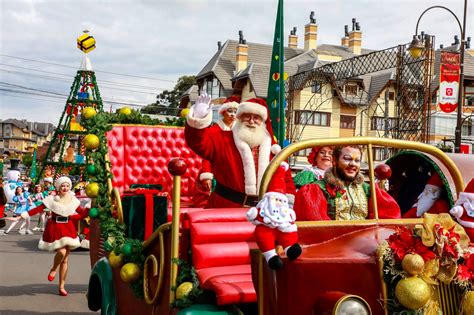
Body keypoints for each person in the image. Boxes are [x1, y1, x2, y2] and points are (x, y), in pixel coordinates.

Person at [185, 93, 295, 208]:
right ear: (240, 118)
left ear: (263, 121)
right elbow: (198, 143)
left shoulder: (274, 149)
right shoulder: (222, 138)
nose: (251, 121)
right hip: (225, 210)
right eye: (247, 116)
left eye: (256, 118)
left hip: (265, 212)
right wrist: (198, 119)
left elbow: (286, 179)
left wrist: (289, 204)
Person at [11, 176, 89, 296]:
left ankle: (61, 287)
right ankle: (53, 268)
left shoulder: (73, 200)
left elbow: (81, 214)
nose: (65, 188)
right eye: (62, 185)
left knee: (66, 260)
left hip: (68, 228)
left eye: (67, 185)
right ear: (58, 187)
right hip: (55, 227)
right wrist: (22, 215)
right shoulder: (51, 199)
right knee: (62, 252)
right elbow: (38, 209)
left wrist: (89, 207)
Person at [294, 145, 401, 221]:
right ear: (334, 161)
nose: (353, 164)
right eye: (347, 159)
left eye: (357, 160)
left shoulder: (368, 189)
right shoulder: (316, 189)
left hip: (365, 247)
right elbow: (317, 229)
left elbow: (389, 220)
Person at [246, 162, 301, 270]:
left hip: (282, 229)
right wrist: (253, 213)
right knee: (263, 233)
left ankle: (290, 248)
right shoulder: (264, 208)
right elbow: (253, 214)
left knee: (289, 233)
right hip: (265, 228)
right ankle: (270, 257)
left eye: (280, 200)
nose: (278, 203)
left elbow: (289, 187)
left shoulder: (285, 210)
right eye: (276, 200)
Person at [192, 96, 240, 207]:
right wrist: (207, 175)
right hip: (214, 170)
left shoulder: (239, 131)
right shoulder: (213, 131)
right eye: (230, 111)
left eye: (235, 112)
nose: (233, 114)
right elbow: (207, 156)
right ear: (223, 112)